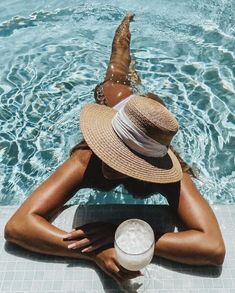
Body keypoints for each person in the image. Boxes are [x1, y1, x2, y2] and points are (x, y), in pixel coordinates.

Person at [4, 13, 225, 283]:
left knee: (148, 111)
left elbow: (213, 248)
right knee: (117, 71)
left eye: (123, 160)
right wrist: (95, 252)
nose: (108, 166)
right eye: (111, 151)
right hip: (114, 98)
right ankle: (124, 27)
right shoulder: (87, 159)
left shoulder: (170, 174)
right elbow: (18, 226)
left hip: (143, 126)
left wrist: (123, 236)